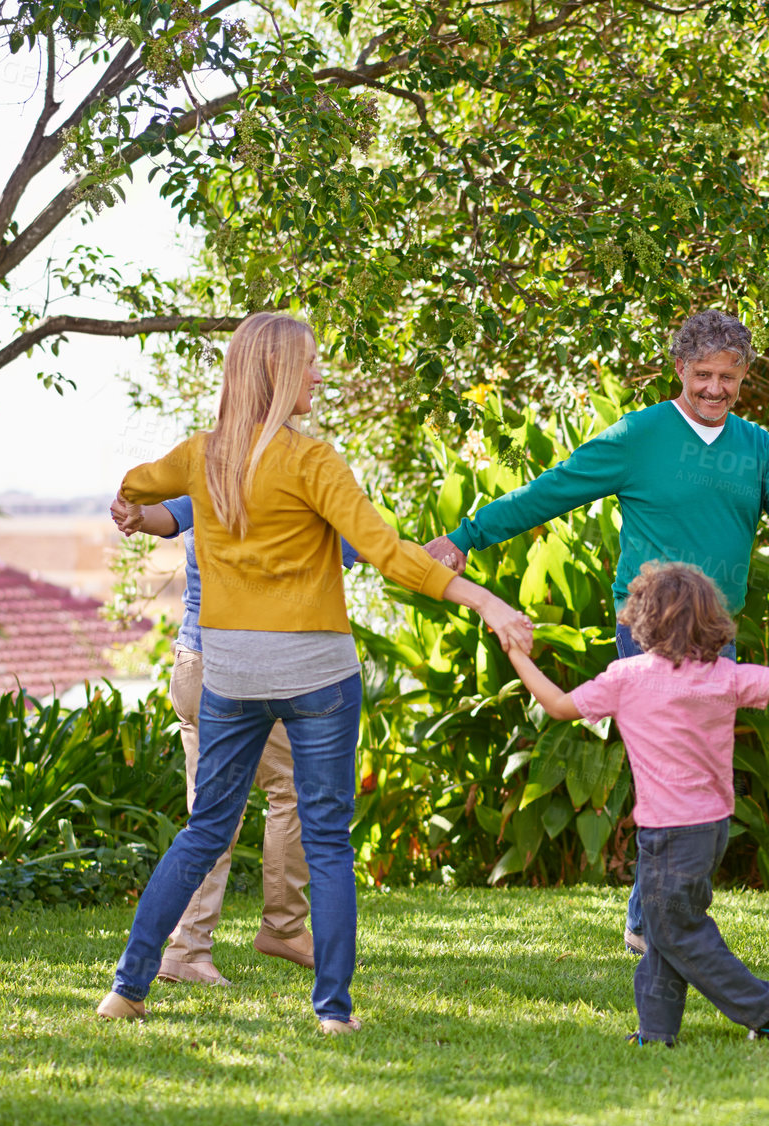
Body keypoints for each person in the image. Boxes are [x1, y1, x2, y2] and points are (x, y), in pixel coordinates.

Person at [95, 311, 532, 1033]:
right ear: (275, 375)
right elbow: (387, 551)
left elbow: (137, 483)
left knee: (205, 828)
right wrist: (482, 598)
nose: (319, 377)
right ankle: (332, 1010)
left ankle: (125, 989)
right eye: (309, 365)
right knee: (326, 838)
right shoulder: (312, 461)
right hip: (316, 678)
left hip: (230, 675)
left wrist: (128, 504)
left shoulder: (201, 456)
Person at [426, 310, 769, 954]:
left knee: (707, 779)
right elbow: (553, 490)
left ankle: (656, 914)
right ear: (678, 370)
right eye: (703, 375)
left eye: (729, 376)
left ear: (745, 376)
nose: (716, 388)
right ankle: (653, 921)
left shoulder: (757, 447)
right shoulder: (639, 436)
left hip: (716, 636)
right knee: (667, 774)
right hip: (651, 635)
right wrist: (466, 537)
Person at [507, 561, 769, 1045]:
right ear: (711, 619)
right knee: (665, 933)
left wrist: (520, 657)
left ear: (642, 619)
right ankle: (656, 1031)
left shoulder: (625, 677)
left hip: (670, 832)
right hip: (709, 830)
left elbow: (560, 706)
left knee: (674, 931)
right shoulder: (722, 676)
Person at [107, 494, 362, 984]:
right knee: (289, 790)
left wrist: (137, 516)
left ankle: (188, 948)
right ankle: (283, 927)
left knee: (210, 810)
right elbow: (353, 548)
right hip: (245, 667)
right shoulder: (286, 487)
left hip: (193, 659)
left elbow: (164, 518)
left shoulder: (206, 475)